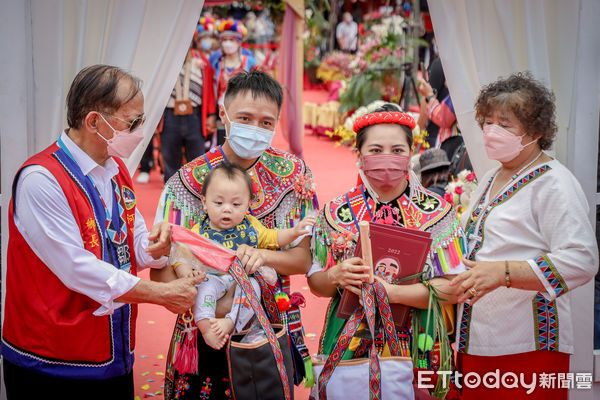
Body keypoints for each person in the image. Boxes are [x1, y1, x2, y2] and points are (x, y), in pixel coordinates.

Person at [1, 64, 205, 400]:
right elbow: (76, 268)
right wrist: (160, 295)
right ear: (94, 121)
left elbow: (134, 242)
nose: (140, 131)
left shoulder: (114, 168)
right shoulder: (42, 179)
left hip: (112, 353)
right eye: (132, 122)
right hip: (51, 359)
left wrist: (158, 245)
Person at [151, 69, 318, 400]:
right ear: (223, 113)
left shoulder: (294, 175)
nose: (255, 128)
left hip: (269, 322)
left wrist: (263, 257)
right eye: (245, 117)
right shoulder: (186, 181)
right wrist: (196, 290)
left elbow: (304, 258)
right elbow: (161, 270)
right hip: (203, 323)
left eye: (266, 122)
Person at [450, 72, 598, 399]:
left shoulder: (554, 183)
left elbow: (583, 260)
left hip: (528, 345)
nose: (492, 131)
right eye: (487, 122)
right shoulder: (491, 177)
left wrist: (503, 273)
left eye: (505, 124)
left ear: (537, 131)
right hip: (478, 337)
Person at [308, 103, 467, 396]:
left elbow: (455, 287)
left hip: (420, 338)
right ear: (359, 155)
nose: (388, 159)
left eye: (397, 151)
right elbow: (316, 284)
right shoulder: (336, 212)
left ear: (410, 154)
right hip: (350, 336)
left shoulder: (438, 213)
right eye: (376, 150)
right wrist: (336, 276)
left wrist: (393, 294)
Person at [172, 163, 315, 349]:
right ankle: (206, 328)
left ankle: (230, 322)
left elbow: (274, 237)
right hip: (212, 279)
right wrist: (186, 273)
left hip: (243, 281)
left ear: (248, 204)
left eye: (236, 204)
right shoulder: (199, 231)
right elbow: (180, 256)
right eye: (218, 203)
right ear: (204, 202)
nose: (227, 209)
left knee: (254, 288)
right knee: (203, 291)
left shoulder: (252, 226)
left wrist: (294, 232)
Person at [160, 26, 217, 182]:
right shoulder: (165, 61)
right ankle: (170, 195)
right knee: (170, 158)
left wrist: (211, 114)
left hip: (195, 116)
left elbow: (209, 92)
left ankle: (198, 194)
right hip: (170, 116)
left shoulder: (201, 60)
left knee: (198, 160)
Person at [210, 19, 257, 146]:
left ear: (239, 42)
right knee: (222, 143)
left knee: (241, 144)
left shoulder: (249, 62)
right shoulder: (217, 62)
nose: (227, 43)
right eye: (224, 40)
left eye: (231, 40)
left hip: (244, 110)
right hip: (222, 110)